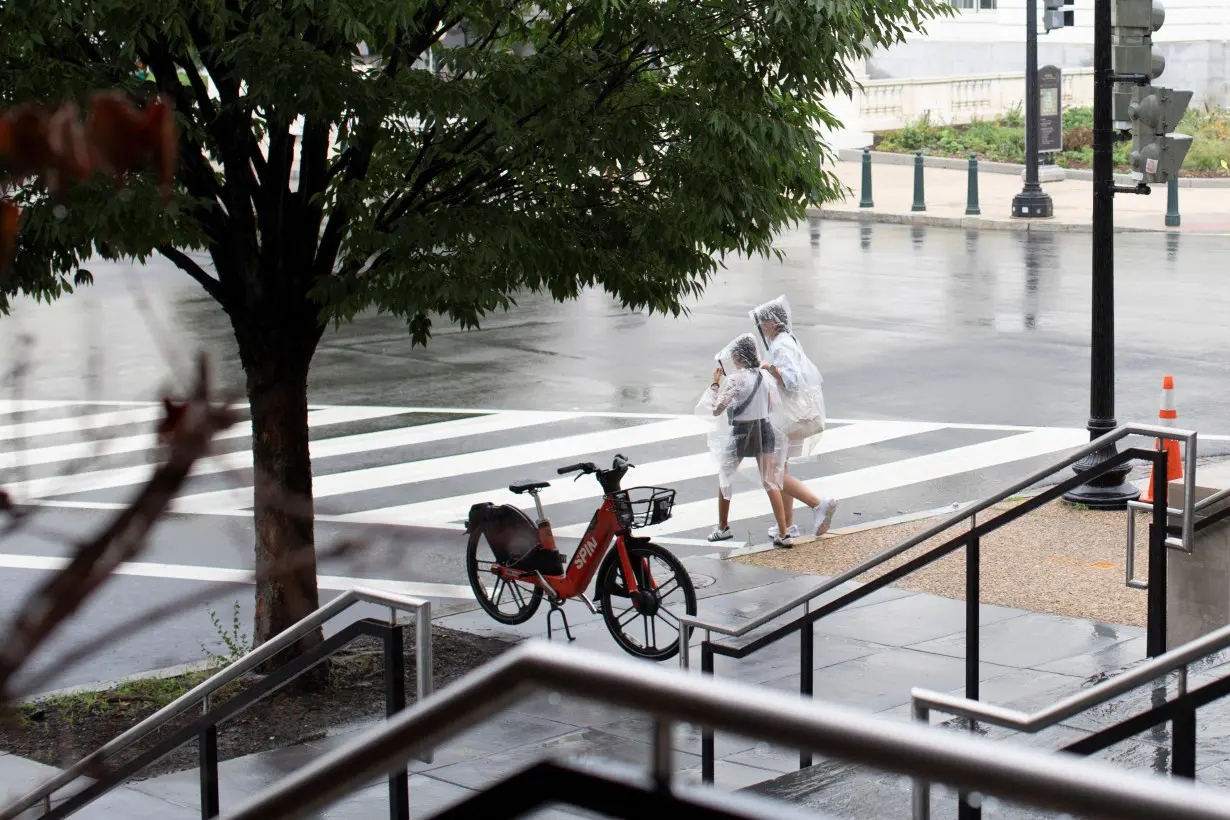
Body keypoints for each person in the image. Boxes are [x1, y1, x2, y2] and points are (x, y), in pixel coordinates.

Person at [750, 294, 839, 541]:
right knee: (780, 467)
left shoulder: (782, 345)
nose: (761, 328)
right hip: (783, 416)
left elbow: (791, 380)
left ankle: (817, 503)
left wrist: (766, 368)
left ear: (773, 322)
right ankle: (788, 525)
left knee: (771, 473)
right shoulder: (786, 340)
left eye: (763, 323)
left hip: (782, 418)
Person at [695, 333, 794, 547]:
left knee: (726, 476)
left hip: (741, 432)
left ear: (740, 357)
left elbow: (716, 409)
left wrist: (715, 384)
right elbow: (770, 404)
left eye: (735, 356)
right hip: (764, 429)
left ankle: (723, 527)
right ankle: (784, 533)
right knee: (769, 481)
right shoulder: (764, 376)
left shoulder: (735, 379)